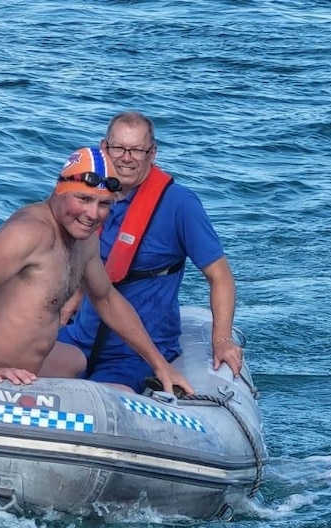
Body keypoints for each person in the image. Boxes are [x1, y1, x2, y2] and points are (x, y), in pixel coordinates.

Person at [0, 146, 192, 394]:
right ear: (60, 190)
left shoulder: (85, 240)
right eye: (84, 199)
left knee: (76, 361)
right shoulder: (32, 231)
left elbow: (107, 299)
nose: (93, 213)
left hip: (21, 374)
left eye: (104, 204)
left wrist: (161, 365)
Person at [57, 111, 243, 394]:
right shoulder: (91, 198)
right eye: (118, 148)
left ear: (152, 153)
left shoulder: (180, 205)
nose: (125, 157)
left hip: (138, 351)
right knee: (18, 374)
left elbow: (221, 278)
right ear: (104, 149)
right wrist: (73, 297)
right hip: (81, 336)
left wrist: (222, 340)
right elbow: (91, 261)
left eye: (136, 150)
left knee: (101, 401)